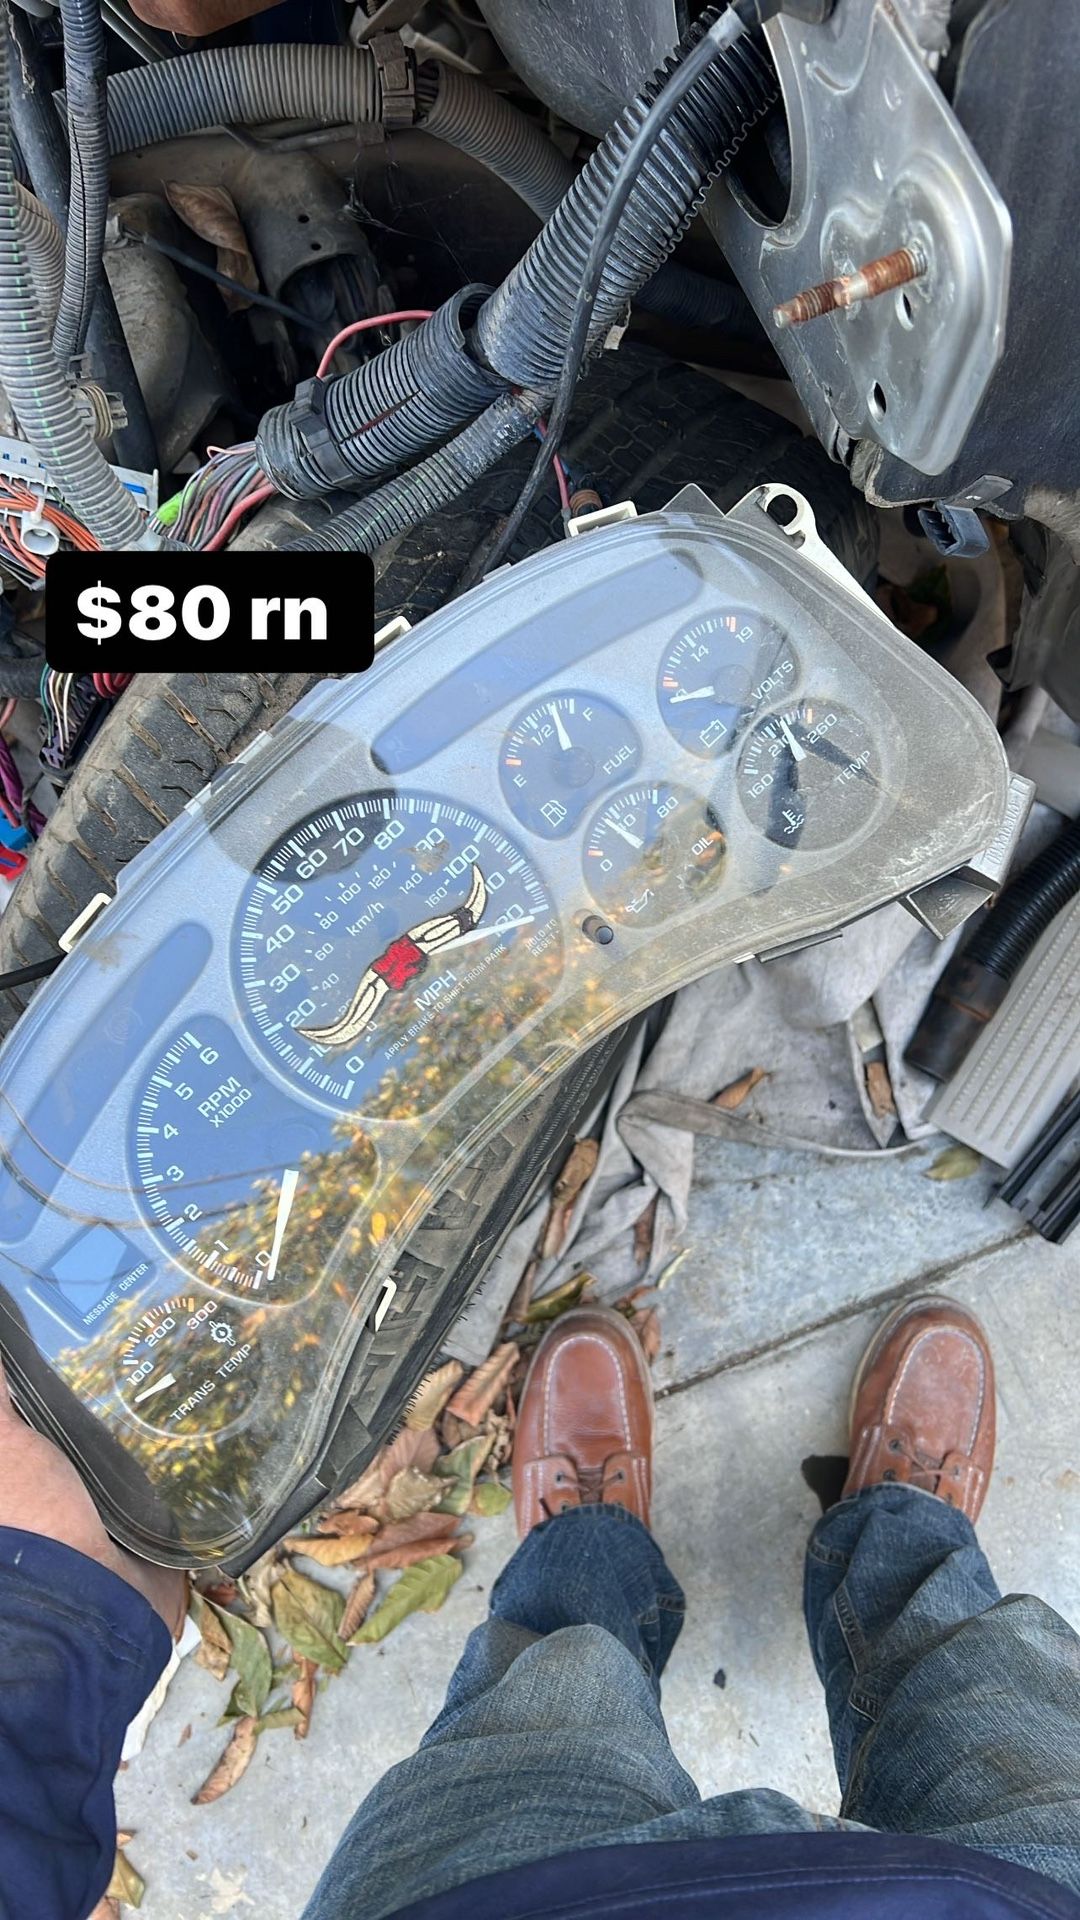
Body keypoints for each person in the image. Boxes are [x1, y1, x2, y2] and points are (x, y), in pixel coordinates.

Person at [4, 1297, 1080, 1920]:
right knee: (985, 1682)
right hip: (1034, 1892)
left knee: (553, 1679)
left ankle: (589, 1536)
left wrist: (53, 1613)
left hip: (513, 1899)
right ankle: (902, 1532)